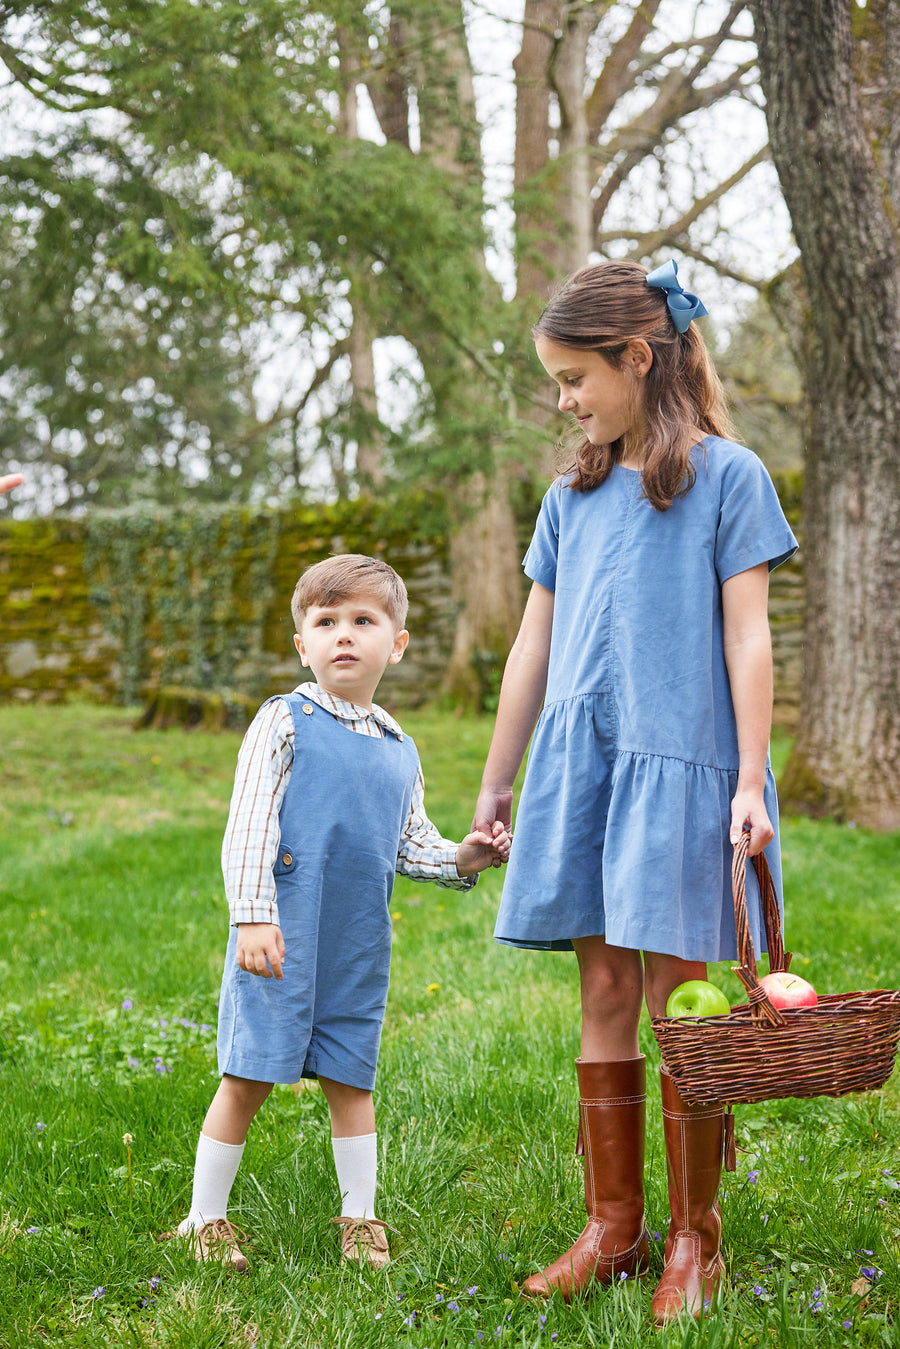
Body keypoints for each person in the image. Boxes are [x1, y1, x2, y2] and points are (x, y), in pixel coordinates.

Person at [473, 259, 797, 1324]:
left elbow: (748, 638)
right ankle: (615, 1227)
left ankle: (695, 1237)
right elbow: (533, 643)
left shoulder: (730, 476)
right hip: (592, 771)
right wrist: (496, 783)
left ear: (638, 357)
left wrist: (750, 779)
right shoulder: (573, 493)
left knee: (680, 1002)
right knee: (605, 993)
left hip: (689, 772)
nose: (565, 400)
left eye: (575, 377)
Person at [175, 553, 510, 1273]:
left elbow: (410, 842)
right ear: (303, 644)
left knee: (353, 1077)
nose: (343, 635)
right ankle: (204, 1217)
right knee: (249, 1073)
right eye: (325, 622)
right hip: (282, 934)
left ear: (398, 642)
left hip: (357, 940)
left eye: (363, 620)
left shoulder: (399, 746)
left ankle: (360, 1215)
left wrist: (464, 858)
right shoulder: (283, 721)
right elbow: (250, 825)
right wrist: (254, 915)